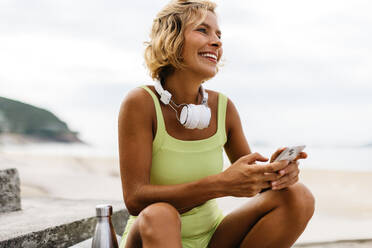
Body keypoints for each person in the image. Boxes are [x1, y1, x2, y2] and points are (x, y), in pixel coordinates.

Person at [117, 0, 315, 247]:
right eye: (202, 30)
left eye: (219, 35)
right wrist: (220, 184)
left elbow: (254, 185)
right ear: (171, 39)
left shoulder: (224, 108)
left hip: (213, 238)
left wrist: (275, 175)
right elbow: (135, 199)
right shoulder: (141, 103)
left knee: (299, 196)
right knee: (160, 214)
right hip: (153, 234)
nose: (217, 41)